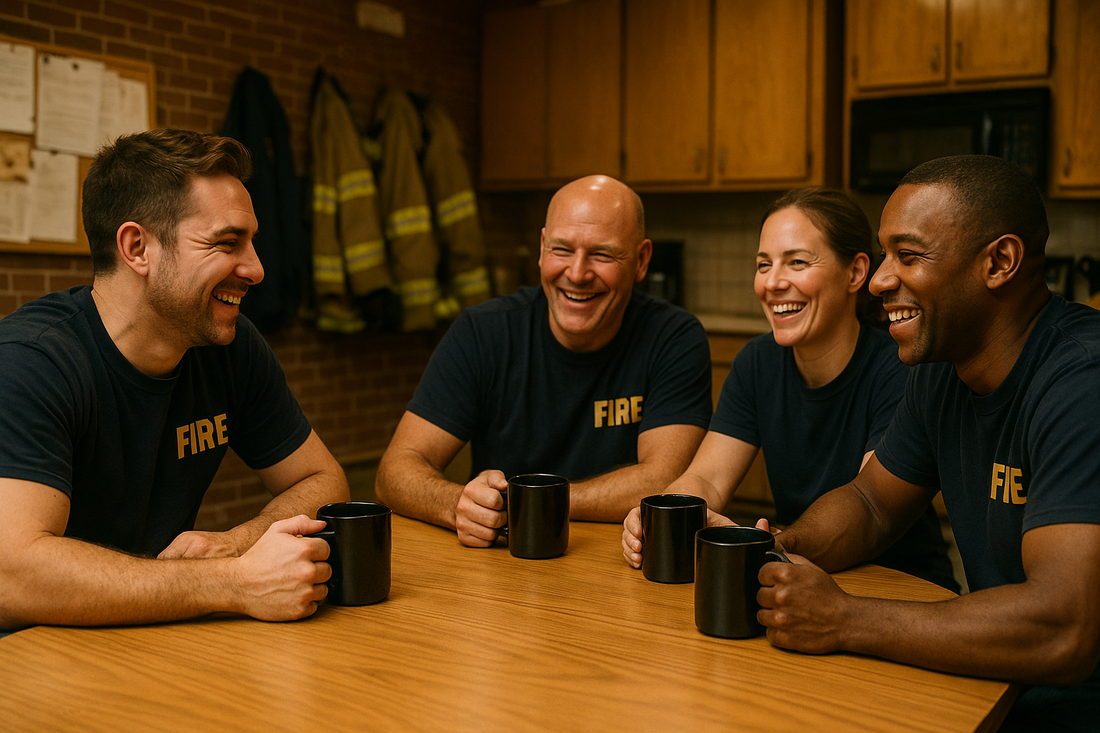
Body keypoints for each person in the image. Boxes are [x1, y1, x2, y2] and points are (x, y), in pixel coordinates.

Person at [746, 156, 1100, 731]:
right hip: (993, 687)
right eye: (886, 256)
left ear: (1000, 262)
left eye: (908, 257)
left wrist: (845, 620)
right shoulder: (942, 369)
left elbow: (1064, 627)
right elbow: (871, 504)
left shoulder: (1082, 381)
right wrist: (781, 547)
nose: (882, 280)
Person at [0, 129, 348, 632]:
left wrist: (233, 544)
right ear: (137, 247)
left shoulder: (228, 345)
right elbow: (13, 576)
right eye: (228, 243)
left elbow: (324, 481)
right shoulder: (30, 364)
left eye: (252, 243)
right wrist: (233, 582)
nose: (256, 269)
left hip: (158, 636)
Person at [622, 188, 957, 590]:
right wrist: (664, 513)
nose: (773, 283)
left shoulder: (899, 368)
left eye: (797, 262)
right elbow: (708, 479)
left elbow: (868, 510)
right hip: (793, 573)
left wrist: (767, 546)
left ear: (856, 273)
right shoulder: (756, 362)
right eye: (764, 265)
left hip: (897, 587)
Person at [375, 175, 712, 546]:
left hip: (621, 560)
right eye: (562, 250)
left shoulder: (674, 338)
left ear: (641, 260)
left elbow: (666, 481)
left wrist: (528, 503)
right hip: (505, 558)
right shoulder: (483, 332)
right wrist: (458, 503)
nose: (578, 273)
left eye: (601, 254)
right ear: (540, 248)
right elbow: (394, 472)